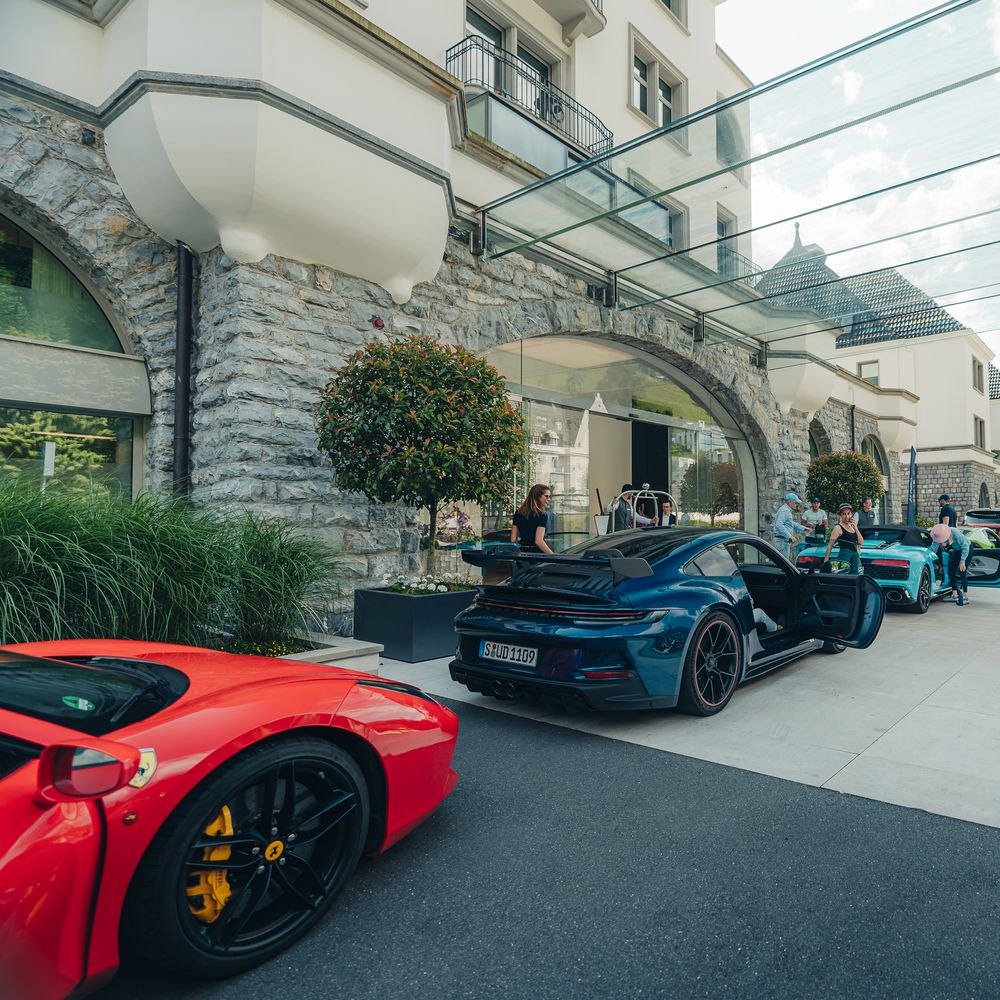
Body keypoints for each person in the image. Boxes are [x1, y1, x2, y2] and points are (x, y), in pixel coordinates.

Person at [929, 522, 972, 605]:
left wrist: (962, 561)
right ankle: (954, 595)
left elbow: (965, 546)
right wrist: (927, 556)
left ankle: (966, 597)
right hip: (957, 551)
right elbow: (933, 548)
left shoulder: (955, 533)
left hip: (967, 549)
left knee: (962, 571)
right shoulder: (938, 536)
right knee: (951, 571)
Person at [511, 483, 554, 554]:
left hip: (522, 553)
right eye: (546, 496)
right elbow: (538, 541)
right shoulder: (542, 514)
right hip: (536, 555)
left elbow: (513, 539)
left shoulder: (518, 513)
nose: (548, 499)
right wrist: (554, 556)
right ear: (538, 497)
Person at [823, 503, 864, 574]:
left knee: (856, 580)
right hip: (844, 558)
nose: (847, 516)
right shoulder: (838, 528)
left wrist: (856, 528)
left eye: (849, 513)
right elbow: (830, 545)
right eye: (844, 514)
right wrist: (826, 561)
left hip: (855, 558)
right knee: (844, 578)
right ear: (840, 515)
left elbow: (860, 542)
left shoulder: (852, 526)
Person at [773, 492, 807, 561]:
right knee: (783, 565)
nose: (797, 505)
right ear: (790, 502)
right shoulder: (785, 511)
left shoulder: (785, 509)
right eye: (796, 503)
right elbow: (779, 525)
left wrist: (804, 528)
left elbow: (791, 523)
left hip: (782, 541)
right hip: (782, 541)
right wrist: (790, 536)